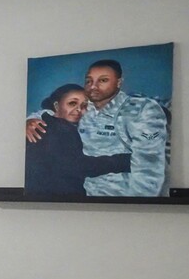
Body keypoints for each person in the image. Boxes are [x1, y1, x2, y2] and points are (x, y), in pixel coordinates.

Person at [26, 58, 169, 196]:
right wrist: (31, 120)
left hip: (122, 200)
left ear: (119, 82)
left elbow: (149, 169)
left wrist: (138, 207)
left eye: (103, 80)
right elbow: (55, 112)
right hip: (79, 199)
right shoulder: (84, 107)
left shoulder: (141, 109)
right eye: (89, 81)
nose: (93, 86)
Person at [24, 84, 132, 194]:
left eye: (84, 105)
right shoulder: (60, 129)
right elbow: (78, 166)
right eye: (72, 103)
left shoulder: (46, 124)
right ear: (56, 106)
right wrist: (126, 160)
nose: (79, 109)